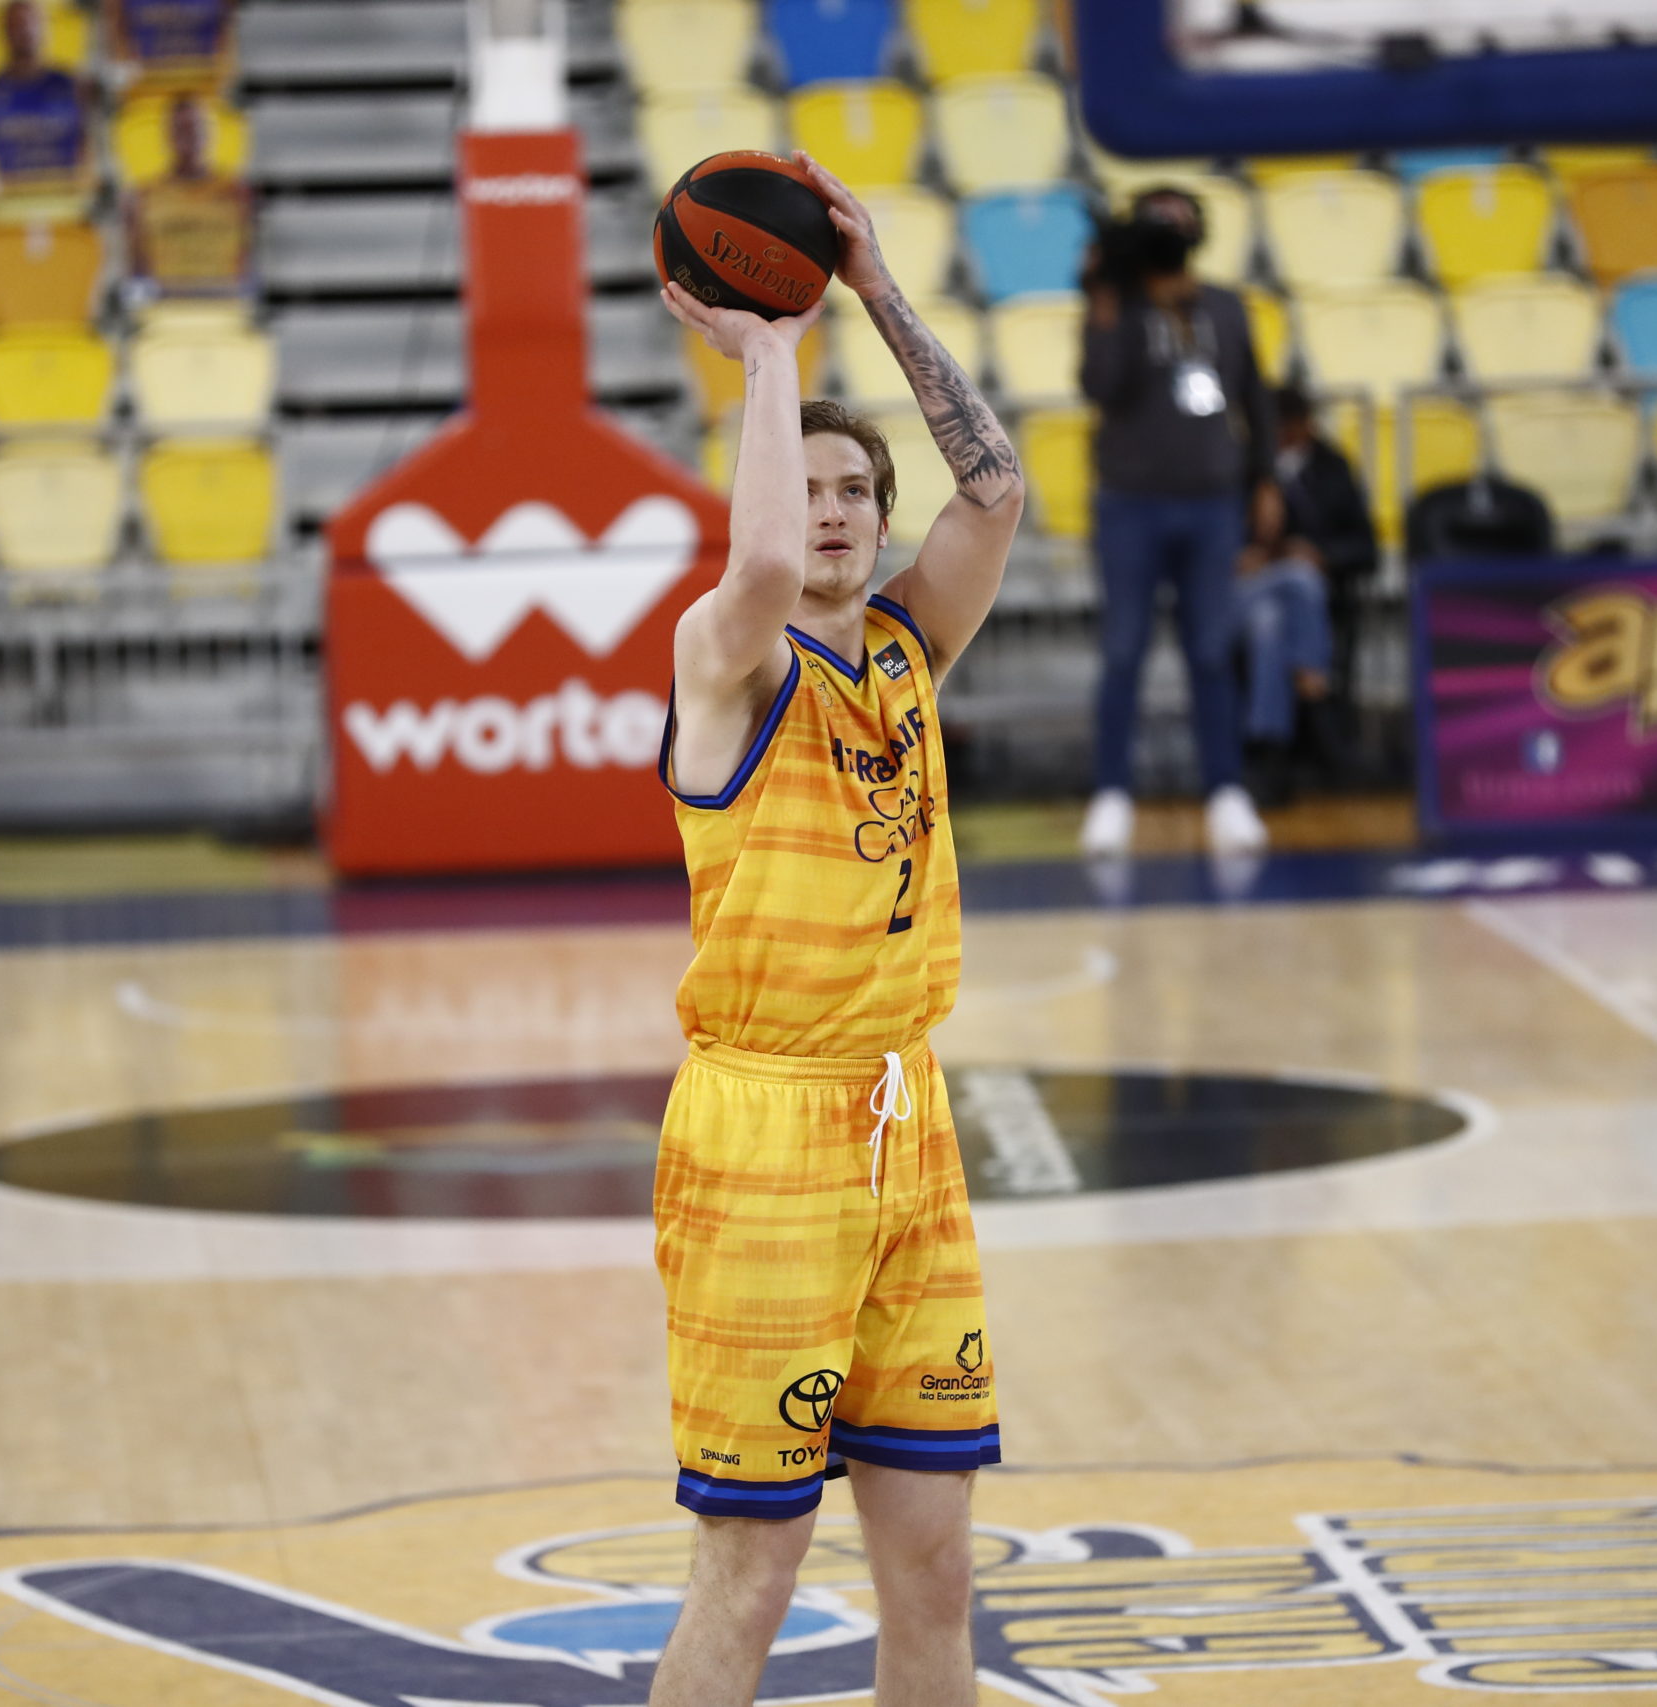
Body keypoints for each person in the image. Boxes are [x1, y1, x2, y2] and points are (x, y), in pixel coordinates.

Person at [649, 150, 1023, 1707]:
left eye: (855, 491)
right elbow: (751, 562)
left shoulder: (907, 645)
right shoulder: (727, 658)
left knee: (935, 1563)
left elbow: (994, 490)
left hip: (904, 1117)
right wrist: (767, 349)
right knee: (754, 1564)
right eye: (805, 490)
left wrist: (871, 285)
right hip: (763, 1136)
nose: (833, 514)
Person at [1076, 185, 1277, 858]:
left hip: (1213, 503)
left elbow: (1254, 397)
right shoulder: (1118, 302)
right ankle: (1111, 796)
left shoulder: (1225, 305)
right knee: (1123, 651)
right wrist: (1105, 296)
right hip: (1130, 502)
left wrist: (1266, 479)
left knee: (1212, 651)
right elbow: (1099, 385)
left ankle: (1226, 793)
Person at [1236, 383, 1373, 770]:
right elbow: (1209, 543)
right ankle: (1315, 688)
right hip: (1247, 589)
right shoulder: (1240, 470)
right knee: (1299, 579)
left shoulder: (1332, 468)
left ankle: (1269, 748)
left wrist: (1322, 556)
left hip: (1303, 602)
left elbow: (1366, 548)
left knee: (1270, 624)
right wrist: (1247, 551)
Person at [123, 91, 250, 300]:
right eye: (181, 130)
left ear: (211, 134)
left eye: (196, 129)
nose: (189, 137)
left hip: (224, 299)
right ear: (168, 136)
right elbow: (136, 267)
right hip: (166, 302)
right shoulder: (142, 197)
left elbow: (249, 258)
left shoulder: (237, 193)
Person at [0, 0, 90, 195]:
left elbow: (88, 150)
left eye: (30, 22)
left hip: (64, 196)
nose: (24, 30)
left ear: (45, 29)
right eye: (15, 24)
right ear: (2, 33)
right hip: (10, 199)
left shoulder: (73, 85)